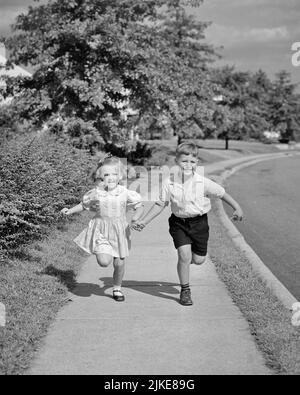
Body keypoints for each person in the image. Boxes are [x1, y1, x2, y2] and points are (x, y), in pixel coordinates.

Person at [132, 142, 243, 306]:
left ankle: (186, 262)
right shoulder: (169, 183)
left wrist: (237, 208)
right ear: (176, 161)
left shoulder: (203, 182)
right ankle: (185, 290)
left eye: (192, 161)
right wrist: (144, 221)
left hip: (199, 224)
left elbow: (222, 193)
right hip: (179, 224)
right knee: (184, 256)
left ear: (197, 162)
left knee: (198, 260)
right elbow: (160, 204)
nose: (188, 165)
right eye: (184, 161)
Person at [61, 154, 144, 302]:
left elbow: (139, 206)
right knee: (104, 262)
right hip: (101, 231)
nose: (111, 177)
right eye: (106, 174)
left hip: (120, 231)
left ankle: (117, 288)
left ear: (120, 176)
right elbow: (84, 205)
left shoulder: (125, 192)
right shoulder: (96, 192)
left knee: (119, 263)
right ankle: (107, 250)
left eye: (114, 174)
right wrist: (70, 211)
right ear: (100, 176)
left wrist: (136, 218)